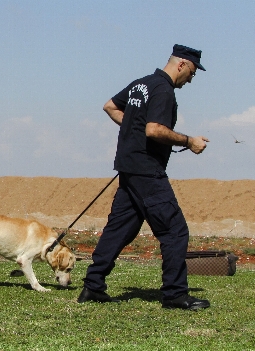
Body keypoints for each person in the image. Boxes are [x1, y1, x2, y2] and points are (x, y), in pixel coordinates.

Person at [77, 44, 210, 310]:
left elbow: (110, 107)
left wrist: (132, 127)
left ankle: (93, 286)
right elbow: (154, 129)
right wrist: (189, 141)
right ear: (181, 64)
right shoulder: (163, 90)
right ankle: (175, 294)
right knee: (174, 231)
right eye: (193, 72)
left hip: (129, 167)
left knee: (119, 229)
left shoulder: (142, 85)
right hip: (147, 171)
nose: (192, 78)